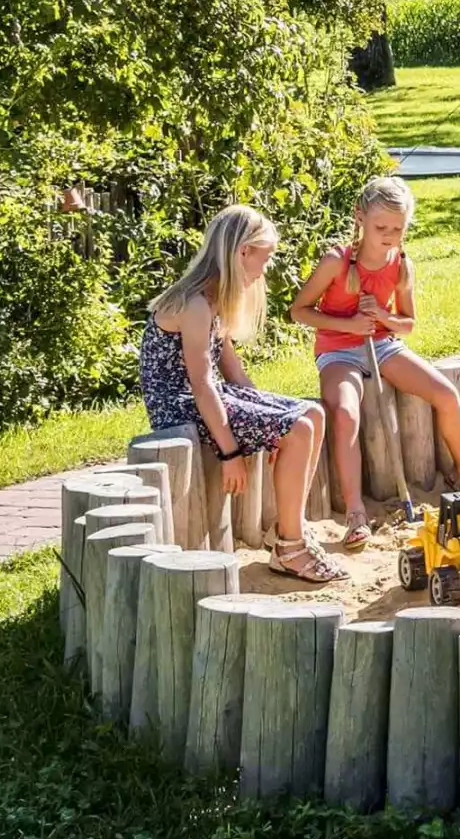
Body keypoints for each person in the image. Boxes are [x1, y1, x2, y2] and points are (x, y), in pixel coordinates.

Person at [139, 206, 336, 584]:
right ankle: (289, 548)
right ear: (243, 252)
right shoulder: (194, 303)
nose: (267, 266)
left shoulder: (217, 298)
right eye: (266, 255)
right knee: (297, 428)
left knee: (311, 415)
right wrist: (230, 453)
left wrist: (270, 419)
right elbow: (201, 384)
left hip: (207, 396)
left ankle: (289, 528)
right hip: (179, 407)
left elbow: (233, 372)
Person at [291, 175, 460, 549]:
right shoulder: (336, 262)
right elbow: (298, 311)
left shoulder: (401, 264)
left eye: (398, 228)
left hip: (382, 345)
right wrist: (347, 323)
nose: (390, 236)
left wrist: (382, 316)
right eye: (382, 227)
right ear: (360, 217)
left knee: (445, 393)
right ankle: (356, 512)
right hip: (338, 351)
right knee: (345, 413)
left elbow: (407, 323)